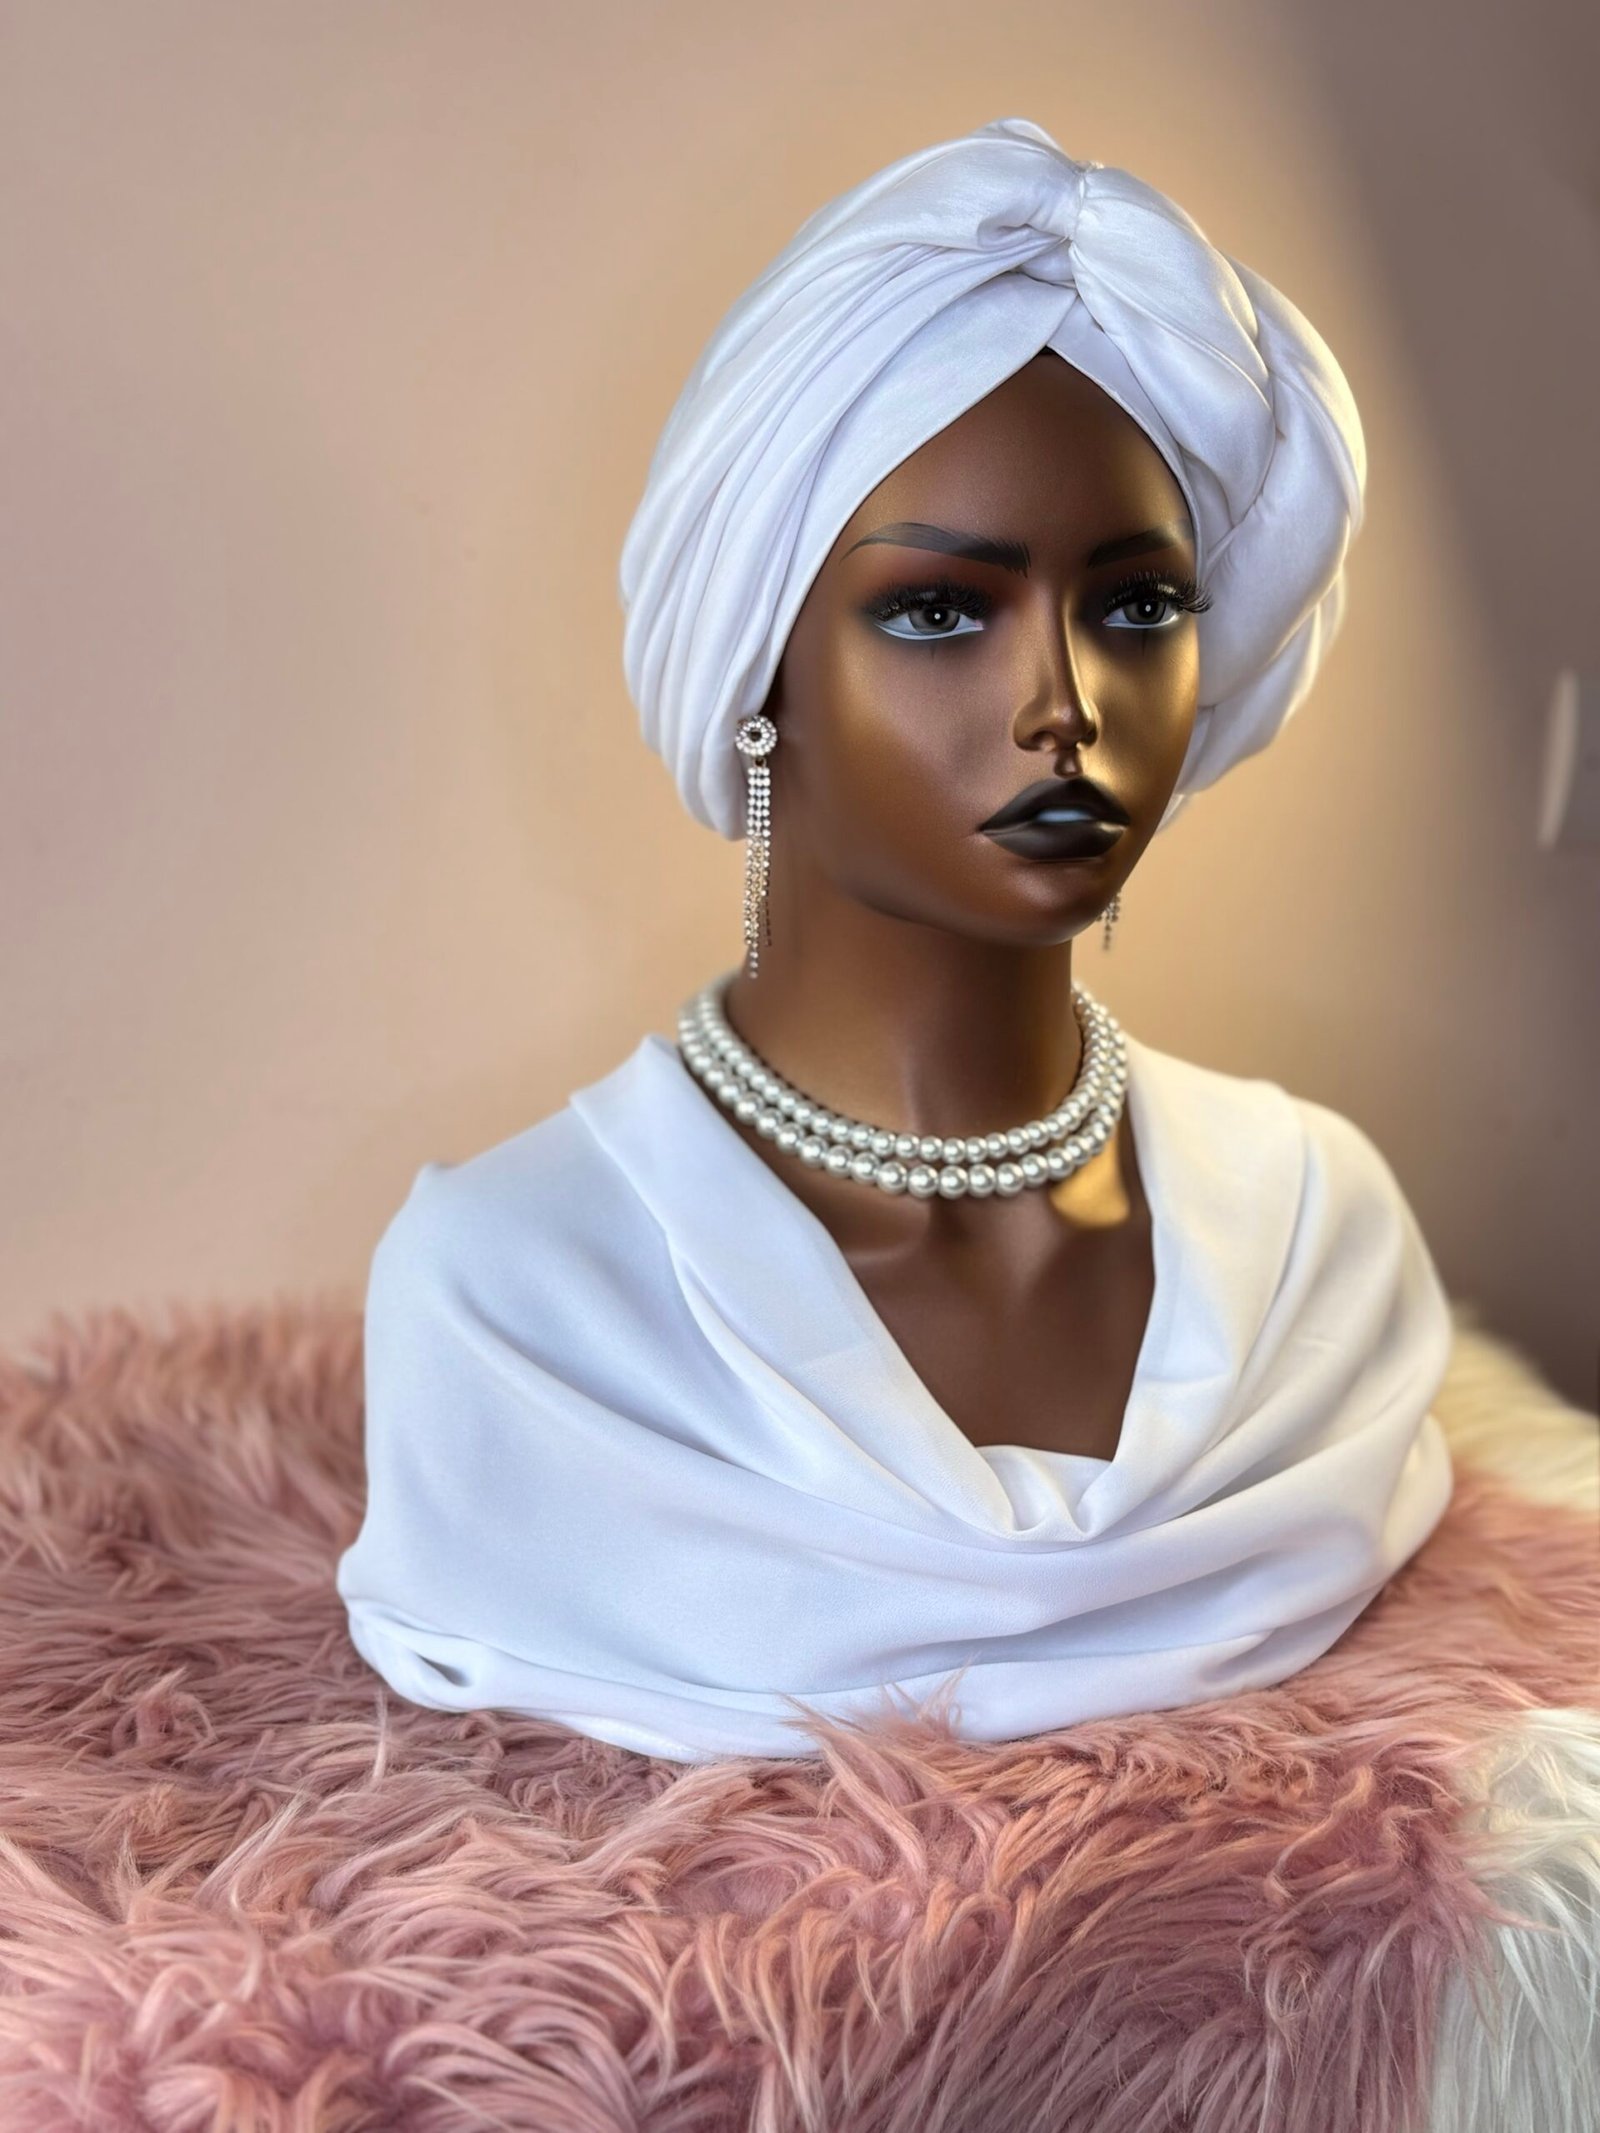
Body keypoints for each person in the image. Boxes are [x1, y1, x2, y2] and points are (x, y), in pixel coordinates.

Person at [335, 117, 1454, 1764]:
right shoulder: (517, 1296)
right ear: (761, 677)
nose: (1063, 704)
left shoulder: (1316, 1240)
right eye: (939, 610)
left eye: (1138, 606)